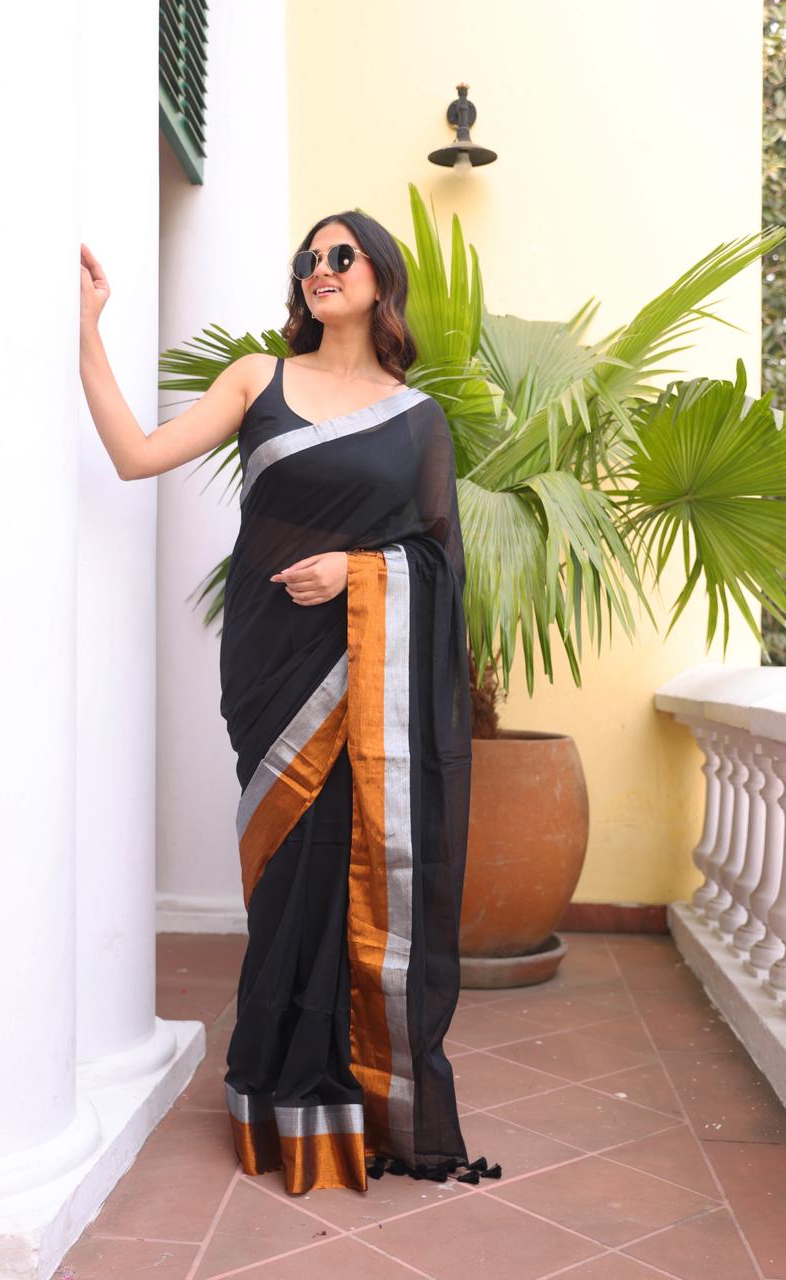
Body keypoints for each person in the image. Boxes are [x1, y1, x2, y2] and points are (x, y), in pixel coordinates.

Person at [79, 210, 502, 1196]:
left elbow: (439, 561)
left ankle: (341, 1092)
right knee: (284, 880)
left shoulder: (415, 417)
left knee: (347, 869)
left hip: (361, 672)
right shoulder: (256, 379)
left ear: (379, 277)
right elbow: (135, 455)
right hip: (272, 664)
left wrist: (358, 571)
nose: (321, 268)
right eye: (310, 257)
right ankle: (275, 1090)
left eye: (341, 256)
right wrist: (88, 332)